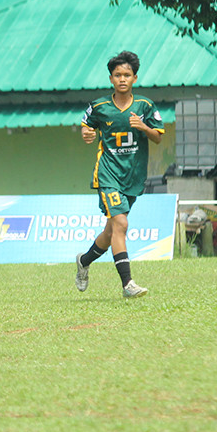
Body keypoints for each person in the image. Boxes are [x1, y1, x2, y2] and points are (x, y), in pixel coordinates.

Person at [75, 50, 164, 298]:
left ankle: (84, 261)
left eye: (127, 74)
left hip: (133, 177)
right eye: (117, 75)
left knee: (110, 232)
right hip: (108, 174)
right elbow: (86, 128)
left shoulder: (145, 106)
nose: (122, 79)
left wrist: (144, 126)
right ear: (111, 78)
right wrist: (87, 135)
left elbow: (157, 138)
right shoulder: (100, 106)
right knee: (121, 224)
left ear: (135, 78)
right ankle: (128, 284)